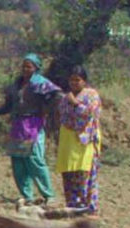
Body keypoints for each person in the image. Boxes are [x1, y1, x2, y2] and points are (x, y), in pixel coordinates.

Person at [0, 53, 62, 205]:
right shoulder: (17, 84)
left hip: (33, 124)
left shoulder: (41, 83)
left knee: (34, 159)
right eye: (24, 66)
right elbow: (9, 106)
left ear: (36, 68)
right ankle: (26, 194)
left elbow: (57, 96)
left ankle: (48, 195)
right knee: (18, 161)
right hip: (18, 125)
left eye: (29, 66)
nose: (25, 69)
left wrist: (46, 109)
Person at [56, 65, 101, 216]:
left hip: (85, 140)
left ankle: (88, 206)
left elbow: (88, 113)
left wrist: (75, 103)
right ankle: (73, 204)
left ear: (84, 81)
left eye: (78, 80)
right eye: (72, 80)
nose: (74, 83)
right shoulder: (65, 97)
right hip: (68, 140)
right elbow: (62, 115)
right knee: (69, 173)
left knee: (85, 173)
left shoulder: (92, 95)